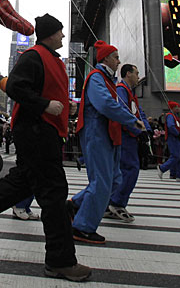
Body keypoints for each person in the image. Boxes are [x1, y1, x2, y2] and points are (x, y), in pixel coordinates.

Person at [0, 14, 90, 282]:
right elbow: (15, 87)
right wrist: (45, 105)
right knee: (54, 193)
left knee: (24, 182)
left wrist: (64, 106)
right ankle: (60, 261)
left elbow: (44, 92)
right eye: (60, 32)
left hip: (43, 131)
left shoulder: (50, 58)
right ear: (49, 34)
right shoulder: (33, 56)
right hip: (36, 131)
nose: (63, 36)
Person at [69, 40, 145, 245]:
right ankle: (82, 227)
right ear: (106, 59)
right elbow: (105, 104)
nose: (119, 62)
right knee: (102, 182)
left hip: (109, 135)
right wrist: (132, 121)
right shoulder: (97, 77)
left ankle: (75, 205)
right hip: (97, 133)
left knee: (114, 180)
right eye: (116, 58)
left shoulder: (107, 80)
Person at [108, 64, 150, 222]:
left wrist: (146, 129)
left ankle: (111, 202)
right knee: (130, 169)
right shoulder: (121, 90)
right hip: (126, 136)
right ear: (128, 74)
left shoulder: (129, 92)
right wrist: (140, 130)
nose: (138, 76)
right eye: (136, 73)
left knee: (123, 170)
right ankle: (117, 202)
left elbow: (138, 112)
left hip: (131, 135)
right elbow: (123, 112)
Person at [157, 101, 180, 179]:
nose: (179, 108)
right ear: (173, 108)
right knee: (176, 156)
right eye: (177, 107)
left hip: (176, 138)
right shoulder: (170, 116)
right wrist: (178, 133)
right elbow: (171, 126)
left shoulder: (175, 116)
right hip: (173, 138)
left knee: (179, 156)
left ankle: (175, 174)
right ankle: (162, 168)